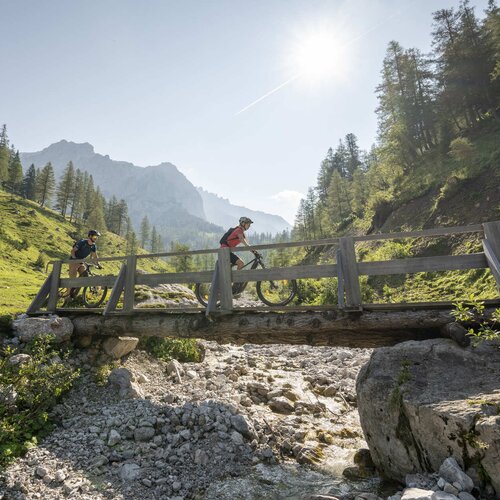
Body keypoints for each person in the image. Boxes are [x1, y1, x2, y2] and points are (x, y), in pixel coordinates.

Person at [64, 230, 102, 302]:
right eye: (94, 236)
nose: (96, 238)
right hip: (73, 261)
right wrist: (75, 259)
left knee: (85, 275)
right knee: (73, 280)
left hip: (81, 262)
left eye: (97, 237)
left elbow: (95, 256)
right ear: (90, 236)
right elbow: (73, 251)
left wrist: (98, 264)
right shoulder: (82, 242)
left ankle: (73, 295)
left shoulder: (93, 246)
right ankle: (67, 296)